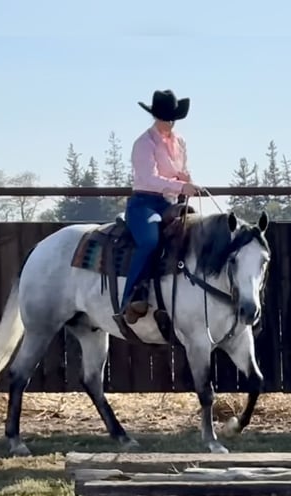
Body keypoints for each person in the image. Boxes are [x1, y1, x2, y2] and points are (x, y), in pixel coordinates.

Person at [117, 89, 201, 325]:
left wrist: (187, 180)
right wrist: (182, 186)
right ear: (156, 117)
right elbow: (149, 177)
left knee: (192, 234)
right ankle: (130, 296)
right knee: (150, 241)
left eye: (173, 118)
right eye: (166, 118)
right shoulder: (143, 144)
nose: (171, 123)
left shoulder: (179, 142)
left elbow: (181, 171)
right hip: (144, 203)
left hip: (169, 202)